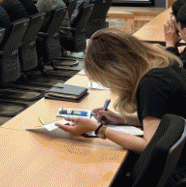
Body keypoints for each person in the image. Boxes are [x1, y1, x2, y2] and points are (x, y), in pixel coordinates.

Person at [56, 29, 186, 187]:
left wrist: (98, 128)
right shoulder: (164, 65)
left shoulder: (151, 85)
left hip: (176, 170)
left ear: (115, 69)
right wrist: (122, 119)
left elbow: (149, 146)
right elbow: (164, 121)